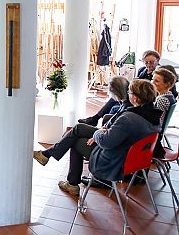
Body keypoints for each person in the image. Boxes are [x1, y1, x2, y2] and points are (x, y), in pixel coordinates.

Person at [33, 79, 161, 195]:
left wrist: (98, 133)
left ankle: (71, 183)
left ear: (136, 99)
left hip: (113, 160)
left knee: (75, 142)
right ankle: (48, 157)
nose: (128, 94)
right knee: (79, 128)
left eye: (130, 92)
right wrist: (104, 130)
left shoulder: (129, 118)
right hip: (127, 156)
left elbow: (106, 142)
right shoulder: (153, 115)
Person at [79, 50, 161, 126]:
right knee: (116, 93)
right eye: (146, 62)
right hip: (137, 94)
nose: (149, 64)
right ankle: (100, 121)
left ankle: (99, 121)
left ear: (157, 60)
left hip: (144, 99)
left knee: (119, 95)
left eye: (152, 62)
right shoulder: (142, 70)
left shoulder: (158, 74)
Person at [152, 67, 177, 157]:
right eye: (152, 79)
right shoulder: (170, 96)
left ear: (167, 84)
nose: (152, 83)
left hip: (154, 135)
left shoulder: (162, 100)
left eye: (157, 81)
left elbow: (157, 121)